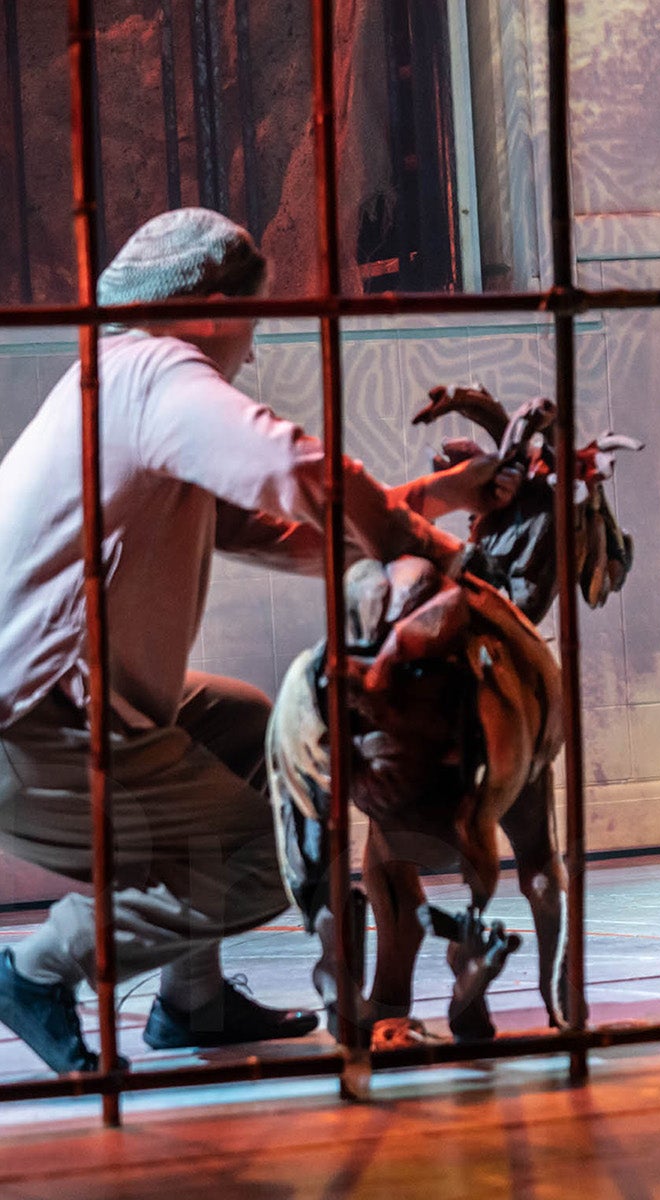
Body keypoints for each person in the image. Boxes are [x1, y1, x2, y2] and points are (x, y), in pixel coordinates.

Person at [0, 208, 519, 1074]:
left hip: (59, 697)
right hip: (30, 728)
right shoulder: (157, 373)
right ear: (213, 313)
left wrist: (440, 498)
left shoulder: (113, 380)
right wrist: (427, 551)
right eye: (256, 319)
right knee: (269, 858)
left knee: (250, 729)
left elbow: (283, 526)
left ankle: (192, 1004)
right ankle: (35, 969)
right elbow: (298, 470)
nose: (254, 350)